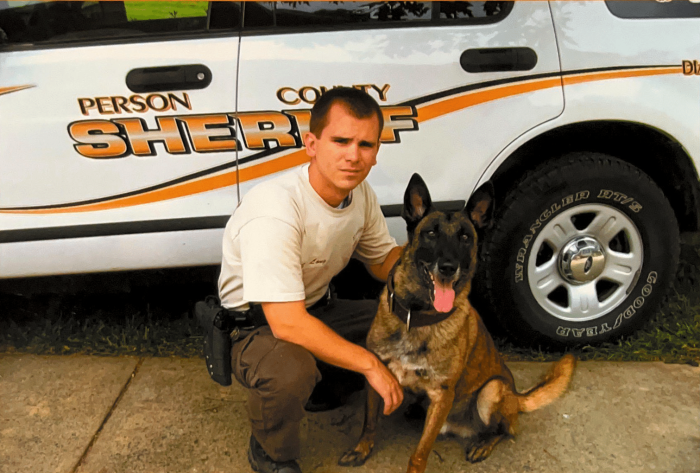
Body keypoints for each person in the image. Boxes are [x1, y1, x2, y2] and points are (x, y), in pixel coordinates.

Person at [215, 87, 404, 473]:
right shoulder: (276, 209)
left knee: (397, 323)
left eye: (365, 144)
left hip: (316, 308)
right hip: (256, 326)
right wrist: (369, 364)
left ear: (376, 151)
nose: (354, 155)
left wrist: (426, 260)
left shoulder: (359, 193)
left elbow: (383, 261)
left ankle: (325, 388)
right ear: (312, 144)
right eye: (341, 141)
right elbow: (286, 322)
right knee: (290, 370)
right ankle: (271, 451)